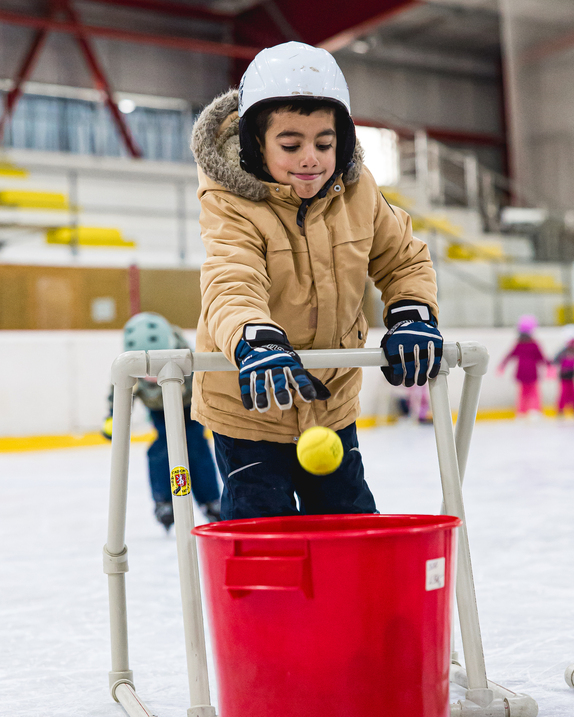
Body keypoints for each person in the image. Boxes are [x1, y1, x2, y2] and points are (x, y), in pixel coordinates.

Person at [190, 41, 442, 520]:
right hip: (250, 407)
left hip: (330, 402)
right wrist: (252, 336)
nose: (310, 158)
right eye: (290, 145)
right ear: (255, 145)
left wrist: (412, 311)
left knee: (349, 520)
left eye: (324, 144)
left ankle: (348, 598)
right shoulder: (230, 202)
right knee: (264, 529)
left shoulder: (357, 190)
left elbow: (404, 258)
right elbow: (230, 277)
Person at [103, 312, 221, 529]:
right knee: (160, 448)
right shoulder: (129, 366)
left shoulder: (187, 359)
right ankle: (163, 500)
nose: (152, 377)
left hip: (189, 408)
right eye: (146, 371)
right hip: (160, 412)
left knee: (195, 445)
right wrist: (113, 418)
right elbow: (120, 394)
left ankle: (211, 500)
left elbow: (211, 384)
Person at [497, 314, 550, 418]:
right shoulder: (533, 344)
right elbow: (541, 357)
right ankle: (533, 410)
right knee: (532, 393)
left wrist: (502, 366)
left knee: (524, 393)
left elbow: (509, 355)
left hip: (523, 372)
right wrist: (549, 365)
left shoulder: (519, 344)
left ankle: (522, 411)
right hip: (531, 372)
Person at [552, 328, 574, 416]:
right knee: (564, 392)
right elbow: (555, 360)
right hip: (563, 375)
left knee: (571, 392)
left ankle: (571, 408)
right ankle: (560, 409)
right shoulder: (563, 351)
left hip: (570, 375)